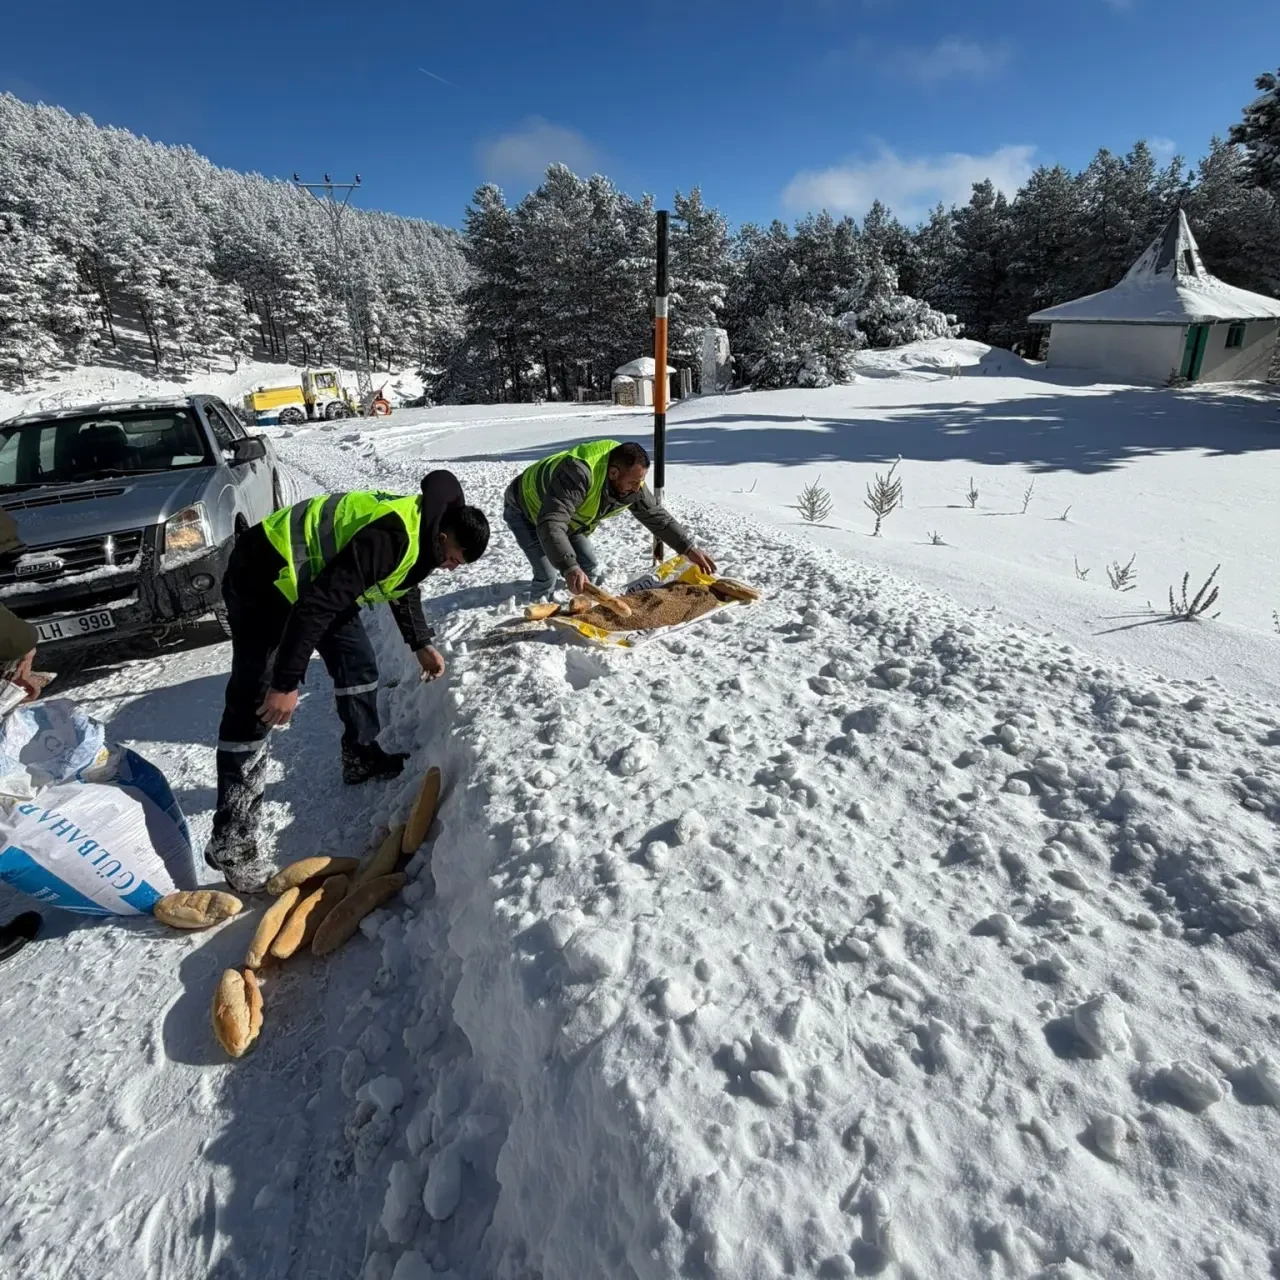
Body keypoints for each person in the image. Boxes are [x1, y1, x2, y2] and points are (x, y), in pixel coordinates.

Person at [207, 471, 489, 892]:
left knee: (357, 664)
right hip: (265, 573)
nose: (450, 568)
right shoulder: (393, 534)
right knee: (256, 701)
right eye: (453, 559)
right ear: (444, 535)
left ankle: (360, 755)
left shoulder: (426, 534)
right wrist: (285, 682)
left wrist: (420, 642)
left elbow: (403, 581)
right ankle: (231, 841)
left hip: (318, 578)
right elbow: (317, 604)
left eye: (457, 565)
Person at [503, 440, 715, 598]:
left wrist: (688, 548)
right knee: (548, 575)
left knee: (588, 564)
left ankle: (590, 604)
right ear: (613, 473)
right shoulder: (579, 473)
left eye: (640, 482)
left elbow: (655, 516)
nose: (638, 488)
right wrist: (568, 567)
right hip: (525, 509)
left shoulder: (631, 480)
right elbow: (551, 522)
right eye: (633, 482)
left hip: (570, 518)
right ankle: (538, 616)